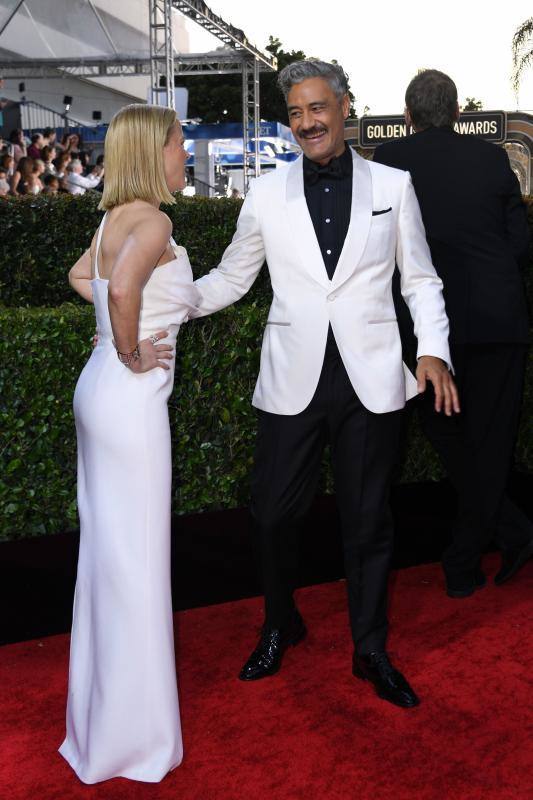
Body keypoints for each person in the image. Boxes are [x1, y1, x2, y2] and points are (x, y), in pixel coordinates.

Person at [192, 59, 458, 709]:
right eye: (295, 113)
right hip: (292, 377)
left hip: (368, 378)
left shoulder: (393, 185)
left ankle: (370, 648)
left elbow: (418, 280)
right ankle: (281, 621)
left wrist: (432, 351)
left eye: (316, 108)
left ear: (343, 107)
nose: (306, 122)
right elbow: (231, 278)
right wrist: (160, 304)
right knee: (272, 512)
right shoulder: (264, 194)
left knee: (368, 522)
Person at [59, 102, 198, 784]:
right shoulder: (155, 220)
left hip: (98, 395)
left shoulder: (114, 218)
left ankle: (101, 727)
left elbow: (84, 279)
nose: (182, 152)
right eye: (177, 143)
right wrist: (131, 348)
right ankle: (134, 742)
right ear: (155, 151)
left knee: (109, 559)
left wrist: (115, 341)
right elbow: (120, 298)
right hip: (129, 400)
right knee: (135, 562)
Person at [373, 69, 533, 597]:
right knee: (490, 442)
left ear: (407, 116)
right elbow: (519, 241)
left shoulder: (389, 162)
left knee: (449, 436)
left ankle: (473, 553)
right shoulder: (491, 159)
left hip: (425, 330)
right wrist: (485, 278)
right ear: (459, 113)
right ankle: (506, 536)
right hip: (495, 319)